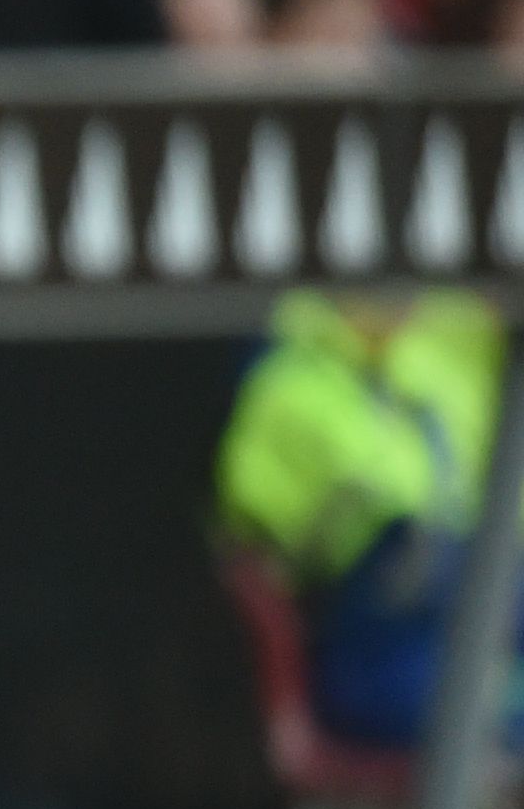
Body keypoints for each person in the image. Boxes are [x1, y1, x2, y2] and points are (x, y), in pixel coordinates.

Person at [218, 289, 510, 750]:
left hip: (488, 604)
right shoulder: (290, 375)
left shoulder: (461, 342)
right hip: (376, 644)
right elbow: (266, 536)